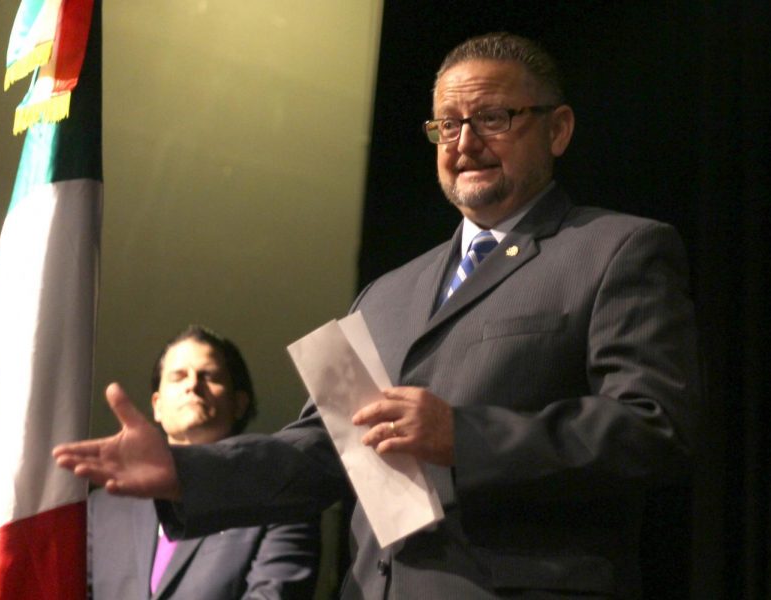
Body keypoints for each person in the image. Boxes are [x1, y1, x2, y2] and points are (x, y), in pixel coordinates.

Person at [56, 32, 700, 599]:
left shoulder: (618, 249)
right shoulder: (387, 293)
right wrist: (183, 472)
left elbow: (654, 428)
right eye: (447, 125)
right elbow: (322, 452)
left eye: (494, 117)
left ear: (557, 129)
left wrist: (466, 437)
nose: (466, 142)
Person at [87, 325, 320, 599]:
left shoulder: (280, 496)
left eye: (208, 375)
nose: (192, 385)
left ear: (240, 403)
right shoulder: (100, 508)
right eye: (178, 376)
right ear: (157, 405)